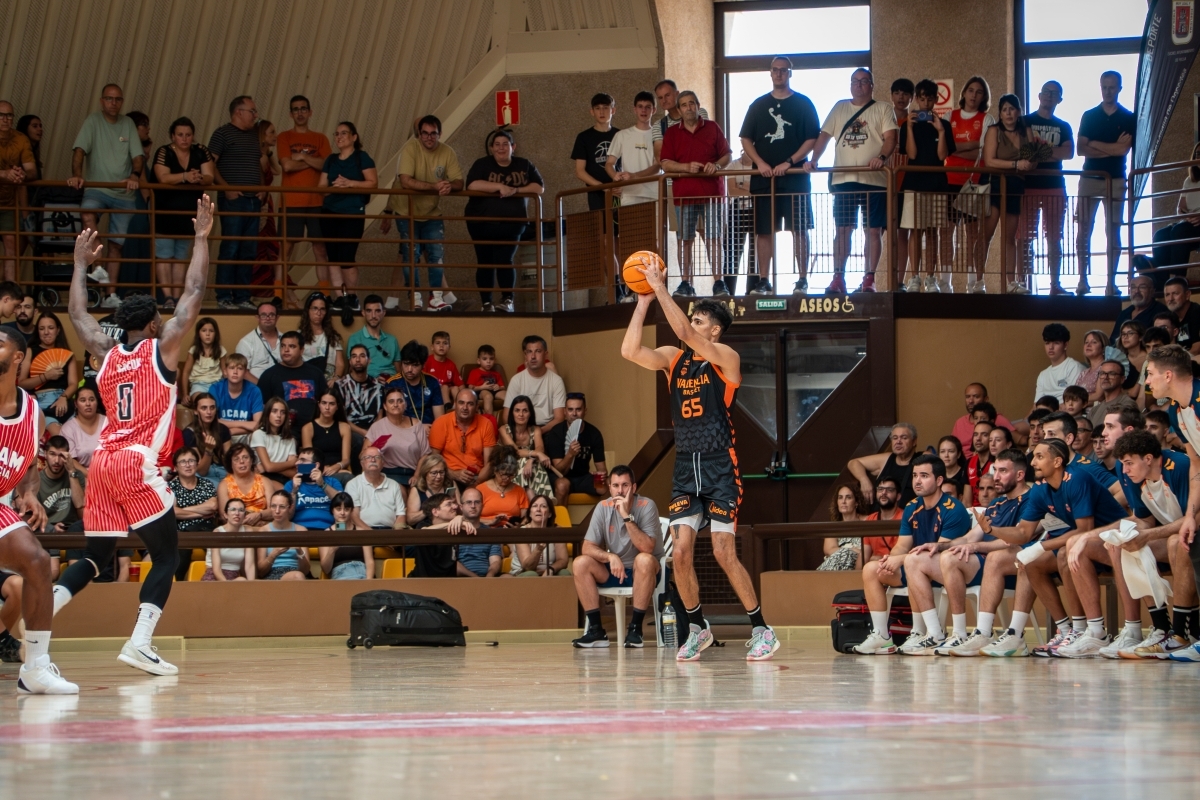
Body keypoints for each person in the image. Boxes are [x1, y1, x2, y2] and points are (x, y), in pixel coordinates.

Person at [52, 195, 214, 678]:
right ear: (151, 325)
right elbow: (195, 289)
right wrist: (202, 237)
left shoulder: (105, 351)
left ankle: (35, 613)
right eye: (159, 321)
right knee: (166, 554)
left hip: (101, 462)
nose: (166, 323)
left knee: (97, 556)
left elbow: (78, 315)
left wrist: (80, 264)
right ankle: (141, 642)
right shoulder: (160, 349)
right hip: (136, 460)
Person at [621, 260, 777, 662]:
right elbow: (629, 351)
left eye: (700, 318)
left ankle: (761, 628)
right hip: (684, 465)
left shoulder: (725, 358)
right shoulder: (675, 360)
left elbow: (685, 331)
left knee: (724, 551)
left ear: (715, 330)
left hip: (719, 465)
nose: (692, 321)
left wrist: (660, 289)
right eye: (693, 316)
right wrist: (642, 300)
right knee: (681, 554)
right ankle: (697, 627)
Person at [978, 439, 1127, 658]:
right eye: (1034, 456)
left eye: (1040, 457)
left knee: (1065, 552)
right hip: (1081, 544)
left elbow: (1083, 530)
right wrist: (992, 530)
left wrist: (1040, 546)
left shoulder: (1078, 478)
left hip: (1113, 540)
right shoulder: (1040, 488)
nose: (1033, 462)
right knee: (1032, 562)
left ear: (1057, 461)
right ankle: (1066, 630)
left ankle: (1089, 631)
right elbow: (1023, 533)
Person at [0, 325, 77, 692]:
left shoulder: (32, 412)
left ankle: (34, 669)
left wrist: (28, 493)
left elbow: (29, 464)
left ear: (17, 357)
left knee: (36, 561)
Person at [850, 454, 973, 655]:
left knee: (914, 562)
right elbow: (902, 545)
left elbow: (938, 552)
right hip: (916, 564)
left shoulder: (953, 509)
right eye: (915, 475)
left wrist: (902, 559)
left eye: (924, 475)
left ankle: (931, 633)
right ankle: (882, 636)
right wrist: (892, 558)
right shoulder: (911, 507)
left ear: (939, 480)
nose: (917, 480)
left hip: (949, 570)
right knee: (872, 569)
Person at [804, 68, 898, 294]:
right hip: (844, 179)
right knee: (843, 229)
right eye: (855, 81)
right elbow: (824, 136)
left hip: (874, 180)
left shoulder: (884, 108)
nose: (859, 85)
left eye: (864, 81)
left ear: (872, 85)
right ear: (850, 85)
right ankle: (838, 277)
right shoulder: (840, 107)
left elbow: (890, 138)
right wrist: (814, 159)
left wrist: (881, 158)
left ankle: (869, 278)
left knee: (873, 230)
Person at [931, 450, 1032, 656]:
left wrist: (976, 547)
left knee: (988, 557)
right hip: (987, 564)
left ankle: (985, 631)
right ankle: (961, 633)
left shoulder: (1031, 499)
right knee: (947, 556)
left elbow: (1014, 540)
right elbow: (970, 538)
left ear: (1020, 475)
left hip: (1015, 566)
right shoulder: (997, 503)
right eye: (996, 470)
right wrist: (939, 546)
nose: (996, 476)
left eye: (1003, 471)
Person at [738, 56, 820, 297]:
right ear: (770, 73)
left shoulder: (803, 103)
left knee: (800, 228)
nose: (779, 74)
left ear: (790, 73)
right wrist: (760, 162)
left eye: (784, 70)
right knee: (764, 230)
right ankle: (764, 280)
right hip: (764, 179)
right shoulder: (758, 105)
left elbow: (812, 138)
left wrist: (790, 161)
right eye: (775, 70)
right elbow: (745, 138)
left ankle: (802, 279)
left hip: (795, 177)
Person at [570, 465, 662, 648]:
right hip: (615, 570)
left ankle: (635, 629)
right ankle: (596, 631)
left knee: (643, 559)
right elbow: (587, 547)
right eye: (615, 485)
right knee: (580, 563)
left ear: (634, 488)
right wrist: (610, 557)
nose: (620, 491)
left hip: (644, 571)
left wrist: (626, 516)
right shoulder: (602, 507)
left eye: (625, 485)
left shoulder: (646, 505)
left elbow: (647, 547)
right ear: (609, 488)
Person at [67, 84, 142, 307]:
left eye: (117, 99)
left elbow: (138, 156)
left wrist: (135, 175)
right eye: (109, 99)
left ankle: (111, 296)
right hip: (97, 189)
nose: (113, 103)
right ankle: (98, 268)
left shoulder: (128, 123)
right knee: (87, 215)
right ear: (102, 101)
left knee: (117, 245)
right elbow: (79, 150)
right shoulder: (93, 121)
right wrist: (77, 175)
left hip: (124, 193)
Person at [381, 114, 462, 311]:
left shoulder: (447, 152)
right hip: (405, 210)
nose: (428, 137)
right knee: (410, 254)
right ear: (418, 133)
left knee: (434, 254)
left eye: (432, 133)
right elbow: (403, 181)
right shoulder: (409, 149)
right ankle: (415, 297)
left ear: (439, 133)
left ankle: (436, 298)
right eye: (423, 133)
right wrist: (388, 211)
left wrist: (449, 186)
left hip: (431, 212)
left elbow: (459, 182)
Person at [659, 90, 732, 298]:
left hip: (712, 193)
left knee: (714, 238)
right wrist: (685, 166)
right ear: (679, 110)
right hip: (684, 195)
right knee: (685, 239)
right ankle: (685, 283)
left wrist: (716, 164)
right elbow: (665, 163)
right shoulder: (672, 133)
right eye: (684, 105)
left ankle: (719, 283)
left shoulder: (712, 127)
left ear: (698, 105)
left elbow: (726, 155)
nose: (688, 107)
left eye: (692, 103)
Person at [464, 128, 545, 313]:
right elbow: (472, 184)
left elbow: (539, 187)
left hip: (512, 224)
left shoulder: (524, 164)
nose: (501, 148)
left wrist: (515, 190)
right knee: (484, 261)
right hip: (480, 222)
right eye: (497, 145)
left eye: (505, 144)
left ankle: (507, 300)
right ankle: (486, 303)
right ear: (492, 148)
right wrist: (499, 186)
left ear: (513, 147)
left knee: (504, 260)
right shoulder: (482, 164)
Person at [1076, 71, 1135, 296]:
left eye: (1112, 87)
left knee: (1113, 230)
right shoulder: (1089, 116)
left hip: (1116, 180)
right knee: (1083, 230)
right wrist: (1111, 148)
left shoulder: (1128, 117)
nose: (1108, 91)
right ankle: (1082, 280)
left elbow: (1123, 150)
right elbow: (1081, 149)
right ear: (1100, 87)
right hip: (1089, 179)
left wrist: (1095, 144)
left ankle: (1111, 282)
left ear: (1119, 88)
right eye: (1104, 87)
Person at [898, 79, 955, 293]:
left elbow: (942, 156)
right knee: (915, 230)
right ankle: (914, 277)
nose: (925, 103)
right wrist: (911, 127)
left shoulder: (944, 125)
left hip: (937, 183)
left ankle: (931, 277)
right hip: (914, 183)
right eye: (921, 98)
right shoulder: (908, 124)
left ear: (935, 99)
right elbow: (911, 154)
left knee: (932, 231)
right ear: (917, 99)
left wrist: (940, 131)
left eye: (929, 98)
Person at [151, 117, 214, 310]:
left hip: (189, 212)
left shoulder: (201, 151)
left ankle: (176, 298)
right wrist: (186, 177)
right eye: (180, 135)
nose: (184, 139)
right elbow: (162, 177)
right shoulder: (163, 151)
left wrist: (199, 178)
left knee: (180, 255)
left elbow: (210, 177)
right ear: (173, 136)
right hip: (165, 210)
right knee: (164, 254)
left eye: (188, 135)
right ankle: (166, 296)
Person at [209, 95, 263, 310]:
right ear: (238, 112)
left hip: (253, 200)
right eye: (252, 111)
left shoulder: (253, 136)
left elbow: (257, 163)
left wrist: (262, 188)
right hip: (233, 200)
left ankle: (242, 296)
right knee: (231, 247)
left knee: (248, 249)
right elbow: (210, 164)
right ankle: (224, 296)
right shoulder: (222, 134)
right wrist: (226, 188)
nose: (255, 115)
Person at [316, 121, 376, 310]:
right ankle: (339, 297)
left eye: (344, 133)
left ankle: (352, 297)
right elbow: (321, 188)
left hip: (352, 212)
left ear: (354, 137)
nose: (339, 137)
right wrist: (334, 187)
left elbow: (373, 183)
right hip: (330, 211)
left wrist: (350, 183)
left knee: (347, 256)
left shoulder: (361, 157)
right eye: (337, 134)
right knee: (332, 256)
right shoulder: (331, 159)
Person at [943, 77, 995, 294]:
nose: (974, 95)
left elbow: (983, 151)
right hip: (949, 181)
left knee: (973, 234)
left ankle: (974, 282)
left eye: (979, 92)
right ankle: (945, 282)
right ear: (964, 92)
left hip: (974, 183)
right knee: (947, 232)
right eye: (971, 90)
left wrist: (958, 147)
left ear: (984, 97)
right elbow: (945, 149)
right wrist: (970, 145)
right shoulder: (949, 116)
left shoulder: (987, 119)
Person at [276, 95, 332, 297]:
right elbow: (287, 165)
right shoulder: (284, 137)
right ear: (291, 114)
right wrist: (313, 160)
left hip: (317, 201)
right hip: (291, 200)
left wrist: (303, 157)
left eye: (303, 108)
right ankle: (278, 294)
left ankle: (325, 294)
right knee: (286, 250)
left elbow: (328, 165)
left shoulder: (320, 138)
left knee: (320, 250)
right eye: (296, 109)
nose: (300, 112)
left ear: (310, 112)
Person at [606, 92, 661, 296]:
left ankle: (655, 288)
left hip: (653, 194)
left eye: (648, 107)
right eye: (640, 106)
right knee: (630, 243)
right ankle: (631, 290)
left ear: (654, 110)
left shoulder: (658, 135)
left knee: (654, 243)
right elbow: (610, 164)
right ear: (634, 109)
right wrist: (616, 177)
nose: (644, 110)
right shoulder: (622, 135)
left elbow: (658, 165)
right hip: (629, 195)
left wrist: (635, 176)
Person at [1022, 81, 1074, 295]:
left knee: (1054, 237)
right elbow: (1024, 151)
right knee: (1025, 237)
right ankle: (1023, 283)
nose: (1049, 96)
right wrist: (1052, 150)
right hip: (1029, 186)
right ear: (1039, 95)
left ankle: (1055, 284)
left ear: (1059, 99)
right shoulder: (1025, 121)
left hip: (1055, 186)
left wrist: (1039, 150)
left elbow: (1068, 153)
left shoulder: (1064, 126)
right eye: (1046, 92)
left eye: (1054, 93)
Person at [982, 94, 1036, 294]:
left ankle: (1011, 283)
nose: (1008, 113)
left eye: (1012, 109)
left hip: (1016, 186)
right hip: (996, 184)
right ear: (1000, 113)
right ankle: (977, 280)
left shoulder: (1026, 131)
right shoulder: (994, 131)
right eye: (1004, 109)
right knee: (986, 234)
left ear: (1018, 111)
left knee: (1010, 237)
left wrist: (1030, 163)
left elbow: (1033, 158)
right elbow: (990, 161)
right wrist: (1016, 164)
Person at [17, 312, 78, 436]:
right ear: (37, 331)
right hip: (42, 402)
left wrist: (64, 397)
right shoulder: (30, 351)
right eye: (41, 328)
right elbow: (22, 383)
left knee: (75, 435)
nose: (46, 332)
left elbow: (73, 383)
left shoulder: (68, 354)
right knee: (60, 436)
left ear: (58, 330)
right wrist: (46, 376)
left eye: (51, 328)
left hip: (64, 400)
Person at [544, 392, 607, 507]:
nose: (574, 414)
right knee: (563, 485)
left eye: (578, 409)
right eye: (570, 409)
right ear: (564, 412)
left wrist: (600, 476)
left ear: (585, 411)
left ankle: (599, 522)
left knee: (606, 486)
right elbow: (559, 471)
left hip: (583, 477)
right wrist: (570, 454)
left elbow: (602, 469)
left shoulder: (594, 433)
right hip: (560, 477)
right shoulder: (556, 432)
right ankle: (560, 524)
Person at [257, 330, 327, 429]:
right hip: (283, 430)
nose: (286, 350)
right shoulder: (269, 375)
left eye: (292, 346)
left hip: (314, 428)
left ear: (301, 350)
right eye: (283, 346)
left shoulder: (315, 373)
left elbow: (325, 401)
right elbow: (262, 408)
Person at [1152, 143, 1200, 284]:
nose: (1198, 157)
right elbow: (1180, 208)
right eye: (1196, 154)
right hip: (1189, 222)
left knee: (1179, 232)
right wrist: (1187, 216)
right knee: (1160, 235)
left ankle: (1178, 280)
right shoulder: (1190, 181)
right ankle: (1161, 283)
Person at [429, 389, 495, 490]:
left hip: (477, 478)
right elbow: (433, 460)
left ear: (477, 407)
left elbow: (489, 463)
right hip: (447, 476)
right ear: (455, 404)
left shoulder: (486, 424)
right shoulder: (441, 423)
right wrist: (454, 474)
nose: (465, 408)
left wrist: (476, 484)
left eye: (470, 404)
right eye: (461, 403)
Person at [0, 101, 36, 282]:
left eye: (9, 115)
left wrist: (21, 174)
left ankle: (9, 293)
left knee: (11, 246)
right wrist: (4, 174)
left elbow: (32, 170)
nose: (5, 119)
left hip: (8, 203)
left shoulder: (21, 139)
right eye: (1, 115)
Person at [365, 386, 429, 485]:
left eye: (400, 401)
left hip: (414, 472)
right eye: (391, 401)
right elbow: (364, 454)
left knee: (417, 494)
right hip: (389, 473)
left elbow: (425, 455)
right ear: (385, 406)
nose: (395, 404)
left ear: (405, 404)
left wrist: (416, 475)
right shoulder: (377, 427)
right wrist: (376, 448)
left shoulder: (417, 424)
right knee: (400, 492)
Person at [848, 423, 919, 507]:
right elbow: (853, 463)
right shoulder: (887, 459)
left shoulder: (922, 458)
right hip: (880, 516)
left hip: (909, 517)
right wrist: (864, 480)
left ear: (914, 441)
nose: (898, 441)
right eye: (895, 438)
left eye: (904, 438)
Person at [503, 335, 565, 432]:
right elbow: (506, 416)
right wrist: (523, 433)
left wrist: (538, 433)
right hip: (521, 430)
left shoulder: (556, 381)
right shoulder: (516, 380)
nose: (533, 356)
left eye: (538, 351)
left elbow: (559, 418)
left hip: (548, 429)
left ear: (546, 354)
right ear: (525, 355)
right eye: (529, 352)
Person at [334, 344, 382, 460]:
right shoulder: (340, 385)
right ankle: (358, 476)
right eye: (354, 356)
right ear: (350, 361)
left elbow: (380, 414)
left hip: (374, 428)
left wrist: (372, 432)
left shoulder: (378, 386)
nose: (357, 359)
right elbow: (342, 418)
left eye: (362, 356)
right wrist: (364, 433)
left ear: (368, 360)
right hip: (350, 428)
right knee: (357, 441)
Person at [500, 394, 553, 499]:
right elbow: (515, 452)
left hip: (531, 466)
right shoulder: (504, 430)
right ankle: (534, 499)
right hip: (508, 464)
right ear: (512, 413)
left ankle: (534, 497)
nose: (521, 414)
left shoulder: (535, 429)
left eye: (525, 411)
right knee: (523, 462)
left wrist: (531, 459)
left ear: (530, 414)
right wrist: (535, 454)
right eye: (517, 410)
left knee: (534, 464)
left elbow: (540, 448)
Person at [508, 495, 570, 577]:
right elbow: (527, 567)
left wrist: (550, 569)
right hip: (523, 572)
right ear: (530, 513)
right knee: (531, 574)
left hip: (549, 571)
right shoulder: (522, 532)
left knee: (564, 573)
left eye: (543, 506)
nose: (538, 509)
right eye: (534, 506)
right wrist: (538, 549)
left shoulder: (557, 531)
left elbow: (563, 560)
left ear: (550, 514)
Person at [346, 446, 406, 531]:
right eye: (368, 457)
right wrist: (373, 535)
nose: (373, 460)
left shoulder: (394, 485)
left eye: (377, 457)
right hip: (363, 532)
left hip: (390, 532)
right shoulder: (353, 484)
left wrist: (394, 538)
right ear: (362, 463)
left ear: (383, 463)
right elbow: (353, 515)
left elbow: (400, 515)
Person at [216, 443, 276, 527]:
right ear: (231, 463)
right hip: (236, 530)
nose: (241, 461)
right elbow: (224, 516)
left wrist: (259, 515)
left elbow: (274, 510)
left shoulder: (265, 481)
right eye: (236, 459)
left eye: (245, 457)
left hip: (263, 528)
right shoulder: (224, 485)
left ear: (251, 460)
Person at [255, 490, 309, 581]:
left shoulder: (301, 530)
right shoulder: (264, 531)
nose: (277, 511)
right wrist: (274, 554)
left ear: (290, 508)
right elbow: (260, 572)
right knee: (298, 577)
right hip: (272, 574)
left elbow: (306, 570)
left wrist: (299, 550)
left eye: (282, 507)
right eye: (273, 506)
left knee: (298, 576)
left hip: (297, 573)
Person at [388, 339, 444, 426]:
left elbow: (440, 419)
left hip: (429, 430)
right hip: (402, 431)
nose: (409, 369)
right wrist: (419, 428)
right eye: (406, 364)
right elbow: (391, 420)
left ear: (423, 365)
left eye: (415, 365)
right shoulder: (392, 384)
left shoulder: (432, 382)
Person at [301, 392, 352, 485]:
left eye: (332, 404)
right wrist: (324, 469)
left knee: (348, 478)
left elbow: (346, 459)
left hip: (338, 469)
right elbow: (308, 459)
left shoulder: (344, 427)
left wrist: (336, 467)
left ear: (337, 407)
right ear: (318, 404)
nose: (327, 407)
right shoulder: (308, 428)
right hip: (315, 470)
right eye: (324, 403)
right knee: (346, 477)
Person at [211, 353, 263, 443]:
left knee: (258, 435)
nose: (235, 372)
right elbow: (211, 420)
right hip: (221, 433)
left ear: (246, 373)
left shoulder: (254, 391)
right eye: (231, 368)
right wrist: (245, 424)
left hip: (246, 434)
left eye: (240, 368)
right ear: (225, 371)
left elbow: (256, 425)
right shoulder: (215, 388)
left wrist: (231, 431)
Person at [320, 492, 373, 579]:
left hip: (362, 572)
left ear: (351, 510)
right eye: (338, 509)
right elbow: (326, 569)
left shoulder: (362, 532)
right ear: (332, 510)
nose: (342, 513)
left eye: (346, 509)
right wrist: (332, 550)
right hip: (340, 574)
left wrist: (368, 582)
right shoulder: (326, 534)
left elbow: (370, 562)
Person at [289, 447, 344, 530]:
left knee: (343, 527)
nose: (296, 463)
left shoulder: (333, 482)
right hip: (299, 530)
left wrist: (323, 484)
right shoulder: (291, 484)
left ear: (316, 465)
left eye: (302, 460)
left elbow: (343, 504)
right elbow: (287, 516)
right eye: (298, 460)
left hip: (329, 530)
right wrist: (294, 491)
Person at [347, 295, 401, 379]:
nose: (373, 316)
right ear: (363, 313)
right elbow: (352, 370)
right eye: (369, 311)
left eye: (377, 311)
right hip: (367, 383)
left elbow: (399, 372)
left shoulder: (392, 340)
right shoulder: (355, 339)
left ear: (384, 313)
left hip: (391, 384)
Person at [38, 435, 84, 533]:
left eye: (61, 456)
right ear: (45, 454)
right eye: (52, 454)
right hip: (47, 530)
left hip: (73, 529)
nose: (56, 461)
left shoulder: (76, 475)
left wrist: (71, 471)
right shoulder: (37, 480)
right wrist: (51, 529)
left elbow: (80, 506)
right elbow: (32, 518)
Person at [203, 499, 255, 581]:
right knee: (241, 581)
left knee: (242, 581)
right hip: (215, 576)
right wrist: (227, 587)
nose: (237, 514)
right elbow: (216, 569)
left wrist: (252, 586)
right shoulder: (217, 532)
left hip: (234, 577)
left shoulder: (248, 531)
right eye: (233, 509)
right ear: (226, 515)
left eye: (241, 510)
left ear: (245, 515)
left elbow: (250, 565)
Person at [183, 392, 231, 483]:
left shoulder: (223, 429)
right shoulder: (189, 433)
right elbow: (201, 471)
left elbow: (230, 459)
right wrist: (208, 450)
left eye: (212, 408)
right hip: (203, 475)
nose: (209, 412)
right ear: (196, 411)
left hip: (223, 471)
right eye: (204, 408)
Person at [476, 445, 530, 526]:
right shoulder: (480, 490)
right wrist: (490, 522)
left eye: (511, 475)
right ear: (495, 470)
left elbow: (525, 518)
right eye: (504, 474)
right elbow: (470, 518)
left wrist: (518, 527)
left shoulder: (519, 491)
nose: (507, 478)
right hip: (486, 532)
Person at [819, 483, 868, 571]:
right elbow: (829, 550)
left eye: (848, 497)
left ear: (856, 502)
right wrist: (852, 550)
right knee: (845, 554)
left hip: (860, 565)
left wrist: (852, 552)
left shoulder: (868, 521)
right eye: (840, 497)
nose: (843, 501)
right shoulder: (833, 526)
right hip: (836, 564)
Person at [298, 292, 344, 382]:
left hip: (328, 381)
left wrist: (336, 377)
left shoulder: (333, 336)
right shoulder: (298, 336)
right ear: (308, 310)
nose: (318, 313)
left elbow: (340, 363)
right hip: (307, 381)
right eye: (315, 308)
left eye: (322, 309)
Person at [59, 385, 104, 478]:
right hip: (83, 477)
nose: (88, 404)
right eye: (83, 400)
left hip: (110, 473)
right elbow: (71, 461)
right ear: (76, 404)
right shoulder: (68, 428)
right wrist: (93, 477)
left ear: (97, 402)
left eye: (92, 400)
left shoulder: (108, 422)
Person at [1034, 323, 1085, 403]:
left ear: (1066, 345)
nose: (1050, 347)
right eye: (1047, 343)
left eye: (1056, 343)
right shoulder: (1043, 375)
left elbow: (1075, 402)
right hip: (1045, 413)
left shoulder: (1074, 368)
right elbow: (1036, 406)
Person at [951, 383, 1014, 448]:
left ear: (986, 399)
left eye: (976, 397)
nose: (970, 401)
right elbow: (951, 446)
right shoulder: (959, 422)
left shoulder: (996, 418)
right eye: (968, 397)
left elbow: (1019, 440)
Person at [455, 488, 500, 578]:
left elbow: (495, 561)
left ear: (482, 506)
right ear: (461, 507)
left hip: (487, 579)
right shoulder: (454, 531)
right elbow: (452, 564)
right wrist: (475, 578)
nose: (473, 506)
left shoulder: (490, 533)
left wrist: (489, 576)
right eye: (468, 502)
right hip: (460, 580)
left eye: (477, 502)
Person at [252, 397, 298, 484]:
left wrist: (271, 467)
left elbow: (293, 472)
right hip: (262, 478)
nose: (279, 416)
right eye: (274, 411)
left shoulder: (290, 439)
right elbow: (268, 467)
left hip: (284, 479)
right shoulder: (259, 434)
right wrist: (291, 463)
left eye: (283, 412)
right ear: (267, 413)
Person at [1110, 275, 1167, 343]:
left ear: (1152, 291)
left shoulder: (1161, 311)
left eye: (1142, 287)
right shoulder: (1124, 313)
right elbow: (1113, 339)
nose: (1137, 291)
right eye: (1133, 287)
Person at [235, 302, 282, 384]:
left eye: (271, 315)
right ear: (257, 318)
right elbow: (243, 372)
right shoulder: (246, 342)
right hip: (257, 388)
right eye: (263, 315)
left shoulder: (286, 340)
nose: (268, 318)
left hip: (283, 387)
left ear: (277, 317)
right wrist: (263, 387)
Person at [406, 452, 457, 527]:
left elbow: (460, 511)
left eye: (441, 472)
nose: (439, 476)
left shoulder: (451, 484)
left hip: (450, 526)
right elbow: (411, 520)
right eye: (434, 473)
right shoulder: (417, 490)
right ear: (425, 473)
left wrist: (454, 504)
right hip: (425, 528)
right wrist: (432, 508)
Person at [181, 317, 225, 397]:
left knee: (216, 401)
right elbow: (185, 372)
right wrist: (185, 394)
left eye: (211, 331)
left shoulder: (221, 350)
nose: (207, 334)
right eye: (204, 331)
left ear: (216, 334)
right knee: (199, 399)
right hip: (198, 384)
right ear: (198, 333)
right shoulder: (193, 350)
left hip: (216, 384)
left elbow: (225, 372)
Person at [1086, 361, 1138, 430]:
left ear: (1122, 379)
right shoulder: (1094, 410)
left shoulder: (1127, 404)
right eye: (1102, 373)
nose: (1106, 377)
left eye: (1111, 374)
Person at [421, 331, 462, 405]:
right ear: (432, 347)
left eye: (445, 343)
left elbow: (461, 385)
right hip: (431, 390)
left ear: (449, 347)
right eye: (438, 343)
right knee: (445, 387)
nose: (441, 346)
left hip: (447, 391)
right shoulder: (426, 361)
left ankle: (456, 408)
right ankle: (447, 406)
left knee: (455, 388)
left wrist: (466, 395)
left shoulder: (451, 365)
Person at [1163, 277, 1200, 354]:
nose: (1170, 299)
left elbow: (1197, 348)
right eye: (1167, 295)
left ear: (1187, 294)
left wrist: (1177, 361)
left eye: (1175, 293)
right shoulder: (1169, 317)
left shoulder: (1197, 312)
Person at [466, 344, 506, 415]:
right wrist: (482, 387)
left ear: (494, 360)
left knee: (508, 395)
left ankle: (510, 417)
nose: (488, 361)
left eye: (491, 359)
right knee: (488, 396)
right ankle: (490, 420)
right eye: (485, 359)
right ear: (479, 361)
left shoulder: (496, 373)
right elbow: (470, 388)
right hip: (481, 391)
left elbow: (503, 387)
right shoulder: (474, 372)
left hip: (495, 391)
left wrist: (498, 387)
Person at [1076, 330, 1109, 400]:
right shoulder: (1084, 373)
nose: (1088, 345)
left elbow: (1099, 396)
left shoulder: (1105, 368)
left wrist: (1077, 401)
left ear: (1103, 348)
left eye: (1094, 342)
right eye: (1086, 342)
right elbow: (1074, 394)